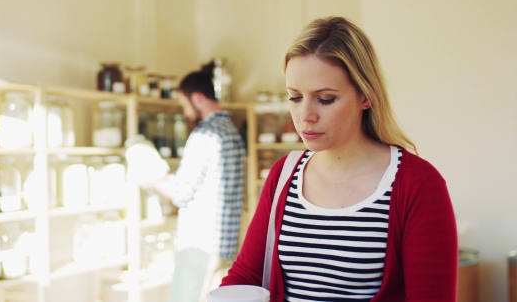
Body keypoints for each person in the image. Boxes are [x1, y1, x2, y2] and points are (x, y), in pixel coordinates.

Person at [220, 16, 458, 301]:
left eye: (325, 99)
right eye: (295, 97)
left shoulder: (418, 185)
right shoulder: (284, 175)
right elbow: (246, 276)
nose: (305, 115)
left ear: (366, 96)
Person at [145, 70, 246, 302]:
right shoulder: (231, 131)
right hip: (225, 243)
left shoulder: (205, 135)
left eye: (185, 105)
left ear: (198, 98)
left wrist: (153, 178)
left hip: (199, 242)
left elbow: (180, 194)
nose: (185, 112)